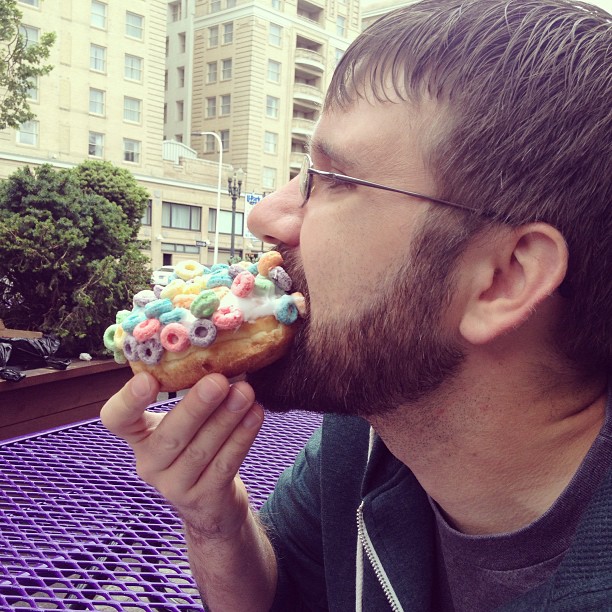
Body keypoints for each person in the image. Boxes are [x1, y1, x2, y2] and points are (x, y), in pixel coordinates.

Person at [101, 0, 612, 609]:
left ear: (503, 278)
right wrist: (217, 523)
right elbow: (284, 596)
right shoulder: (373, 435)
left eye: (335, 179)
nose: (266, 216)